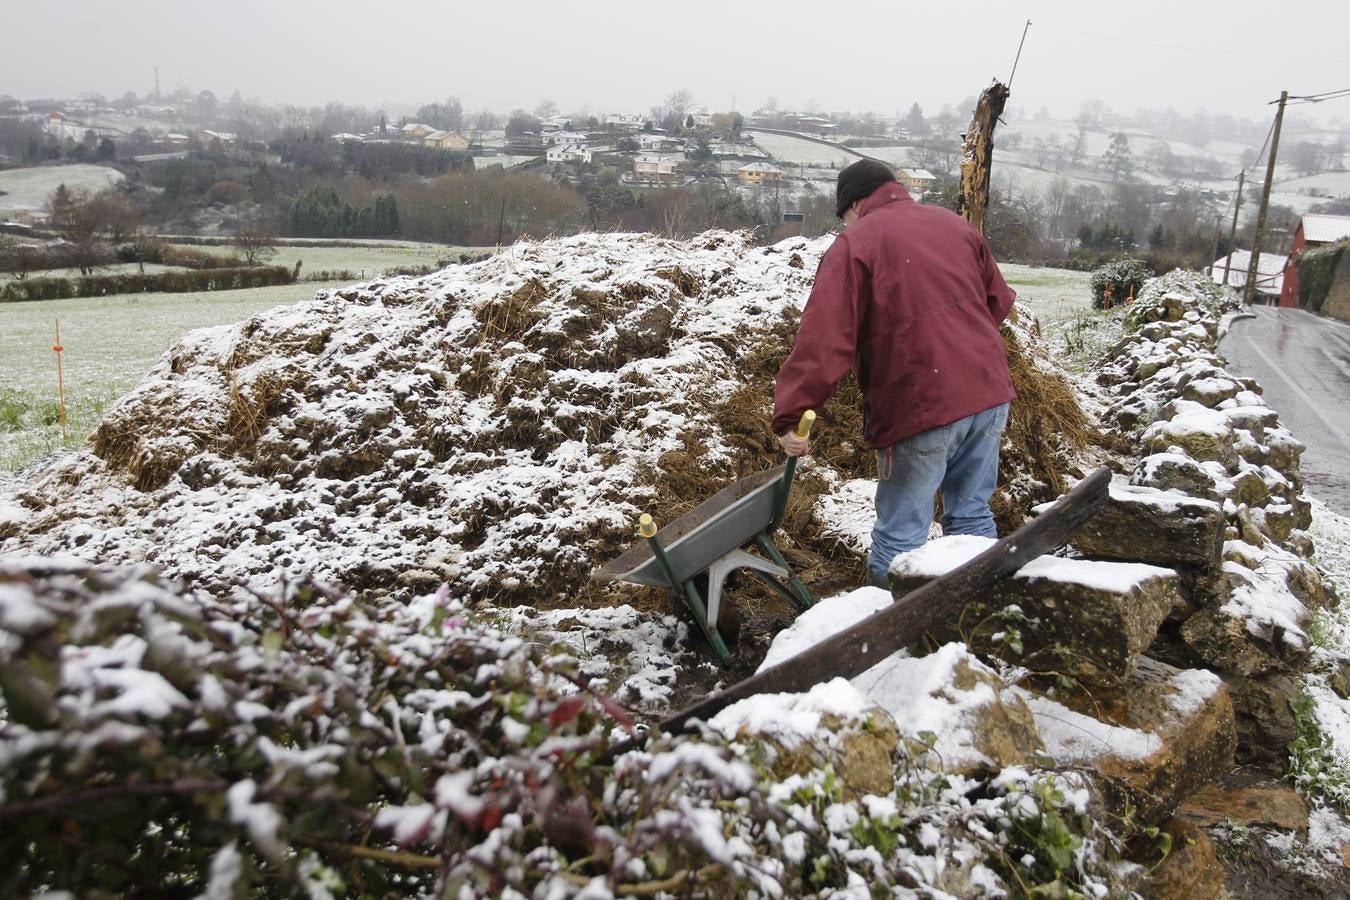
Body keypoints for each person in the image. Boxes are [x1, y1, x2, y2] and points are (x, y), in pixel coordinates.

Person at [772, 158, 1017, 586]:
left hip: (922, 402)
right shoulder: (954, 225)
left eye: (845, 217)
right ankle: (982, 617)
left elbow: (825, 341)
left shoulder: (856, 244)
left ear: (854, 205)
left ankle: (888, 635)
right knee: (972, 514)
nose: (847, 224)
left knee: (901, 533)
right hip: (989, 392)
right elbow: (997, 300)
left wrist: (793, 414)